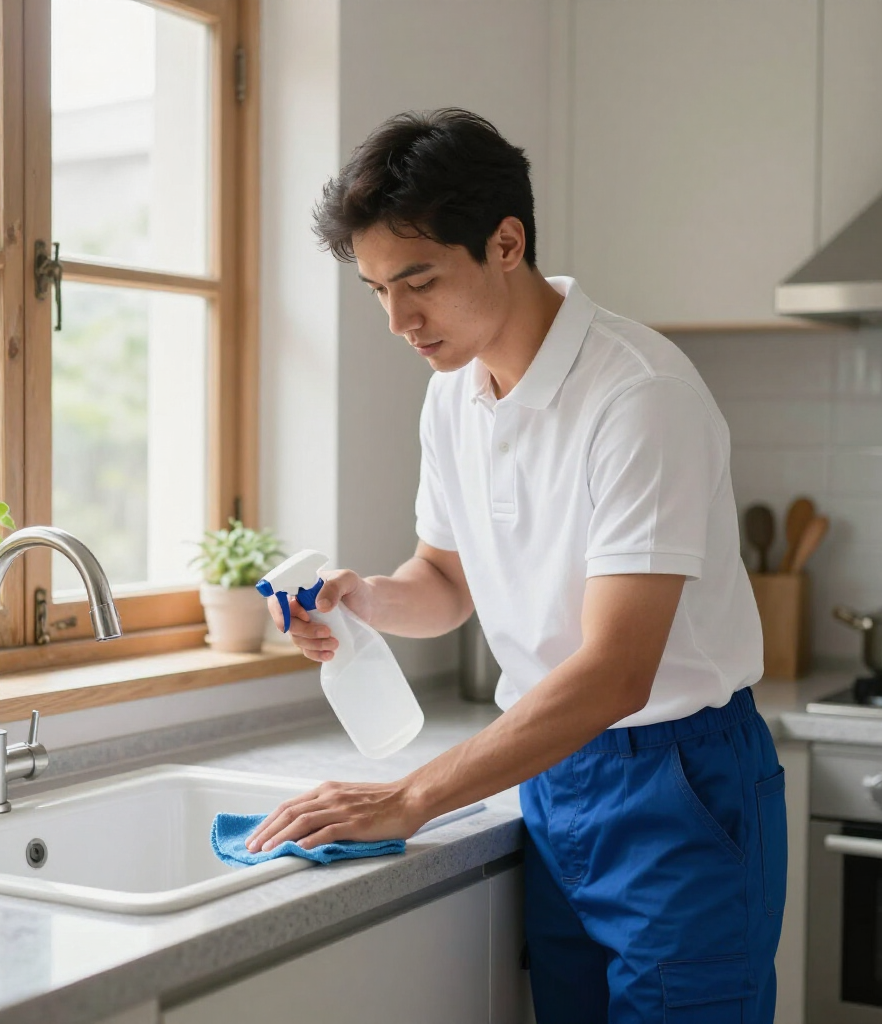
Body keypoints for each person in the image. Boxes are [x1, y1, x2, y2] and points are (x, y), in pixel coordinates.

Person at [244, 108, 786, 1023]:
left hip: (677, 783)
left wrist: (414, 795)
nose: (398, 320)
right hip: (552, 777)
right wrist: (362, 600)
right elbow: (446, 581)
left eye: (418, 281)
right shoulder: (451, 395)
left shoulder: (639, 396)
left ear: (506, 242)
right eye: (377, 290)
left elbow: (617, 670)